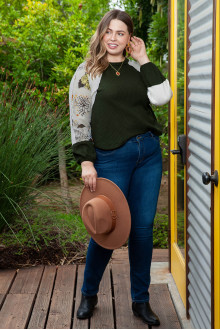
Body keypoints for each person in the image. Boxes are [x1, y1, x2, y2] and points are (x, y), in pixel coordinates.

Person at [69, 9, 172, 326]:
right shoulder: (87, 72)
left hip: (148, 156)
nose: (114, 38)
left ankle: (141, 301)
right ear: (101, 35)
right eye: (109, 32)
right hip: (111, 158)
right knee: (106, 228)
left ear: (130, 39)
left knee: (142, 230)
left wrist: (143, 59)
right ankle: (89, 293)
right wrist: (86, 159)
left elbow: (162, 97)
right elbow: (79, 120)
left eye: (121, 33)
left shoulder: (137, 69)